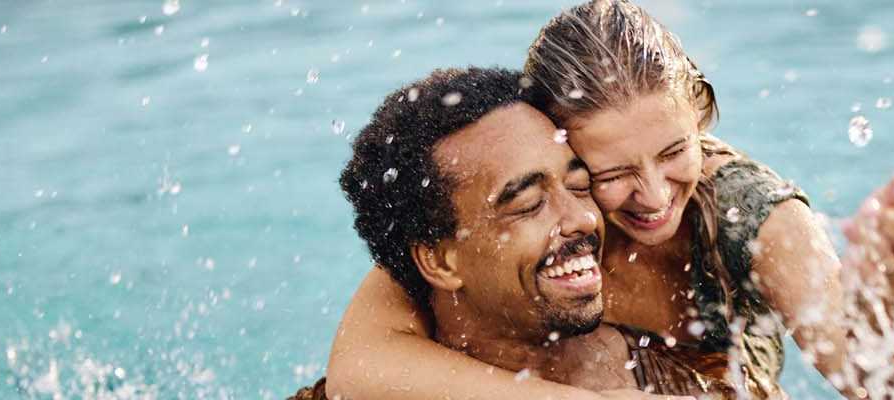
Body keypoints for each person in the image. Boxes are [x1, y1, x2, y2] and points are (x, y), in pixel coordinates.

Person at [323, 1, 894, 398]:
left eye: (674, 151)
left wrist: (886, 290)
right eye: (609, 171)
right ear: (555, 139)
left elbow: (883, 386)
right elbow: (362, 366)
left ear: (698, 115)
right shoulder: (529, 208)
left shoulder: (752, 216)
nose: (653, 196)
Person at [294, 67, 724, 400]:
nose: (581, 219)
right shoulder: (372, 380)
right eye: (527, 205)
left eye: (580, 186)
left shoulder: (686, 380)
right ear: (441, 261)